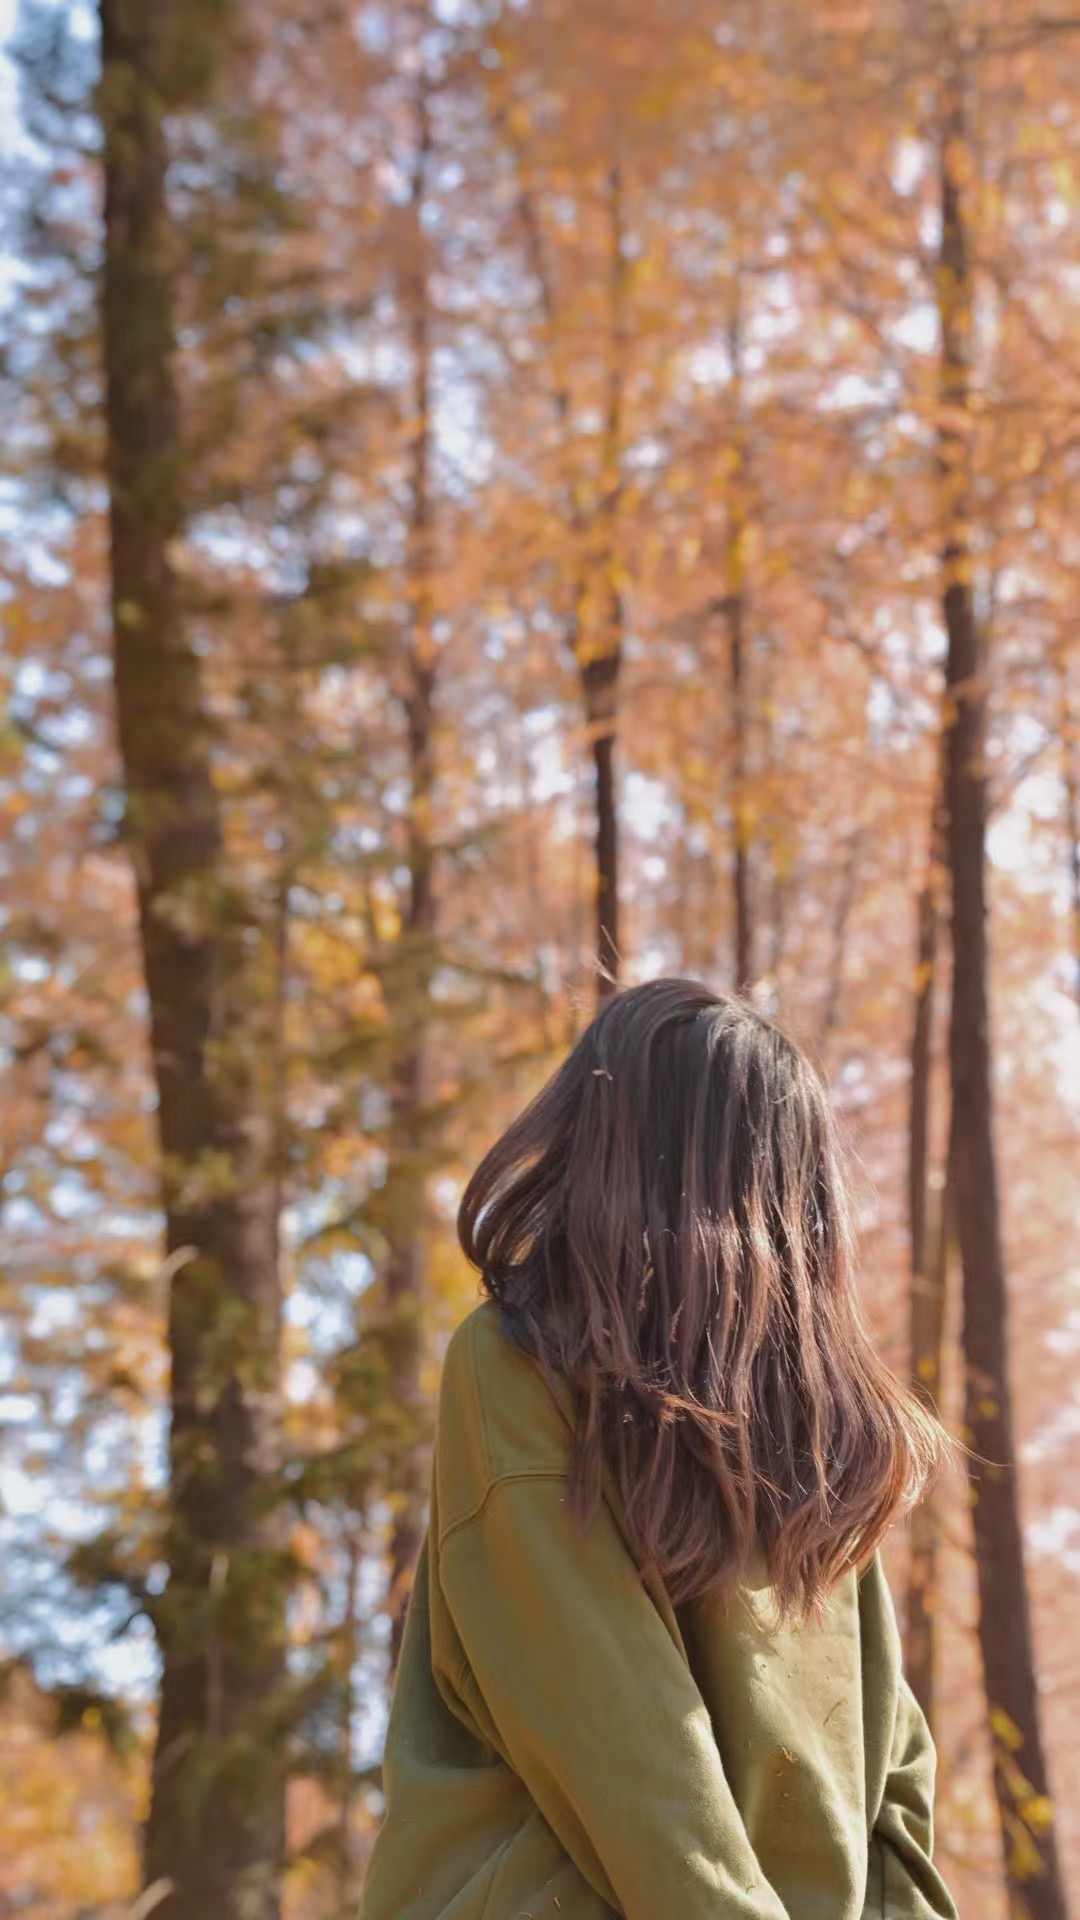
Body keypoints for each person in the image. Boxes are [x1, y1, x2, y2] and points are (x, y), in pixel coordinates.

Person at [360, 978, 957, 1920]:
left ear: (606, 1142)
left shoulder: (813, 1432)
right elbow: (623, 1739)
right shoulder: (540, 1367)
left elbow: (883, 1772)